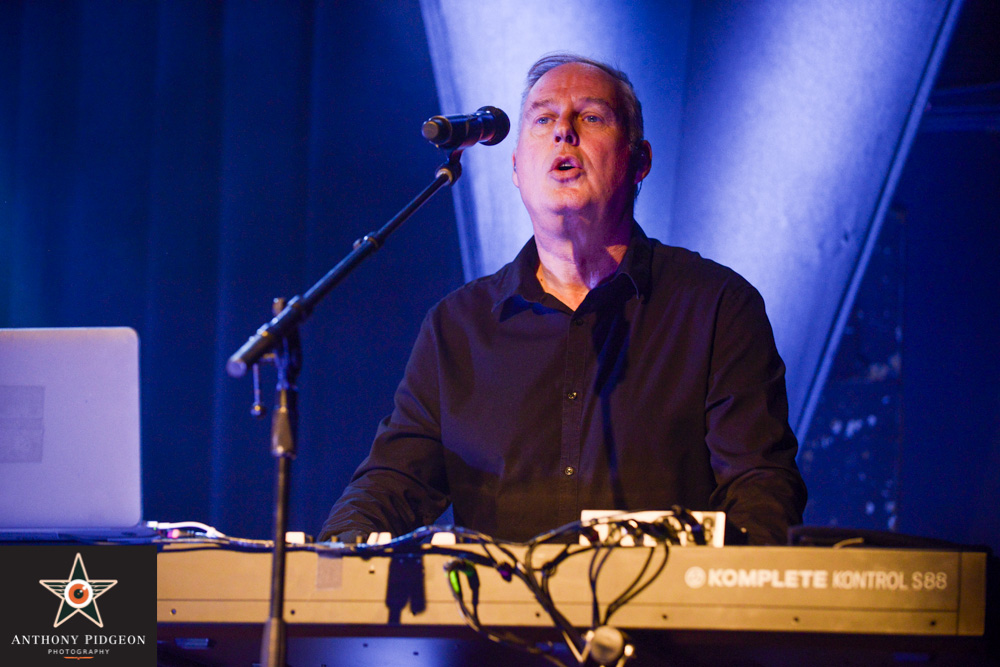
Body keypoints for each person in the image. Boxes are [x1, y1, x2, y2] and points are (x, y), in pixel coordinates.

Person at [320, 53, 806, 546]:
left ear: (639, 162)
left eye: (591, 118)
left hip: (663, 620)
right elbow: (396, 479)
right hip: (496, 621)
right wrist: (338, 550)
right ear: (516, 168)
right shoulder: (458, 327)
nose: (563, 133)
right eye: (543, 118)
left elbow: (759, 487)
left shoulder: (717, 307)